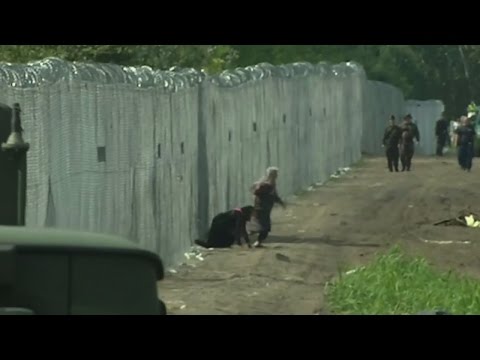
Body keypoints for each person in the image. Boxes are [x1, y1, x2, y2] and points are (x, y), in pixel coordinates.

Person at [247, 167, 286, 248]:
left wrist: (280, 202)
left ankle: (255, 238)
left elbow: (274, 195)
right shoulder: (266, 184)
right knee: (264, 227)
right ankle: (256, 241)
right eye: (275, 174)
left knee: (261, 226)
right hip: (262, 208)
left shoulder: (270, 184)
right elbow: (257, 192)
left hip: (264, 208)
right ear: (271, 175)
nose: (276, 176)